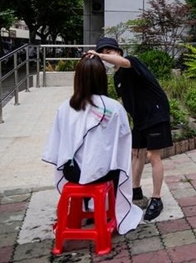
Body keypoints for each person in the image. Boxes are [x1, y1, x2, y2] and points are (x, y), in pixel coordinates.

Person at [42, 55, 142, 234]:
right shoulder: (113, 108)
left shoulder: (65, 107)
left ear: (77, 78)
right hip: (104, 174)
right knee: (115, 165)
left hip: (72, 172)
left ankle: (87, 209)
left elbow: (57, 142)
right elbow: (124, 143)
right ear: (102, 78)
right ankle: (104, 210)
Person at [87, 38, 172, 222]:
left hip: (155, 114)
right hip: (140, 119)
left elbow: (124, 63)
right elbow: (125, 102)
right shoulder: (117, 77)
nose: (107, 55)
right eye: (103, 52)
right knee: (136, 153)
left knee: (152, 156)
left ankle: (157, 199)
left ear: (118, 52)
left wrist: (99, 55)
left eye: (109, 51)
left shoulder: (131, 62)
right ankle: (135, 189)